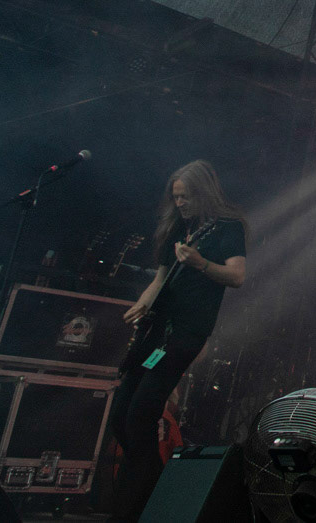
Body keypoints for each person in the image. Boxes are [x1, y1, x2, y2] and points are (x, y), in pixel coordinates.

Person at [107, 160, 247, 523]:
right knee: (121, 414)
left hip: (186, 332)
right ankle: (149, 489)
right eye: (176, 197)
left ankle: (143, 502)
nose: (180, 203)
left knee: (142, 413)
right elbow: (160, 279)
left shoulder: (227, 227)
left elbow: (236, 276)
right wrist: (142, 303)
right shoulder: (177, 227)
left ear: (203, 193)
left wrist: (201, 263)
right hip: (156, 331)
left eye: (185, 196)